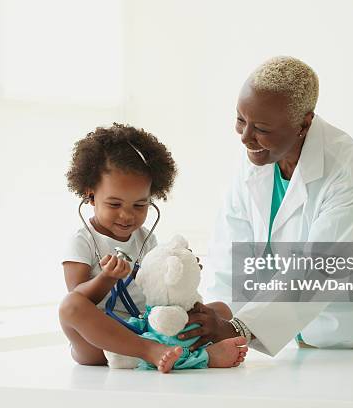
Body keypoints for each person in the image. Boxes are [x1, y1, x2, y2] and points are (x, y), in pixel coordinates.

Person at [178, 56, 353, 355]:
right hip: (314, 337)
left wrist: (239, 328)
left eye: (261, 128)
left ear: (303, 123)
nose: (245, 136)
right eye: (241, 119)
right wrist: (212, 316)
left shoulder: (348, 170)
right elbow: (231, 249)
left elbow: (319, 267)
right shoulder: (257, 158)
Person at [58, 123, 248, 372]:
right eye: (114, 204)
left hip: (148, 326)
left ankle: (171, 351)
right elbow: (79, 296)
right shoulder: (82, 240)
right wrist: (106, 278)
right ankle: (160, 353)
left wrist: (179, 273)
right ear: (91, 195)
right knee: (69, 307)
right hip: (102, 340)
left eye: (139, 205)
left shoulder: (146, 238)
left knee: (219, 311)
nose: (127, 216)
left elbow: (155, 290)